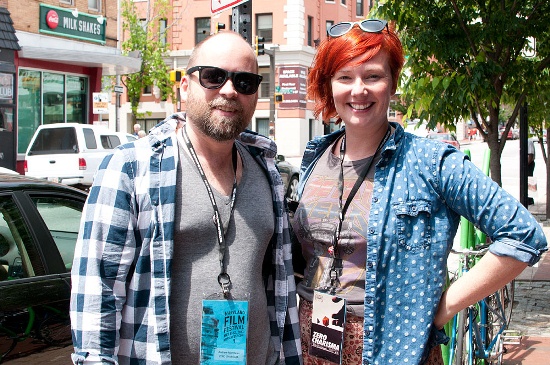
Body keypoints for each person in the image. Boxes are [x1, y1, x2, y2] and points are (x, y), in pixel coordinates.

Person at [291, 19, 547, 365]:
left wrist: (442, 309)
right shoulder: (315, 156)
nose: (358, 90)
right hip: (312, 342)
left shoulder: (431, 162)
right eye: (345, 76)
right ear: (330, 85)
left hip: (394, 348)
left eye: (373, 76)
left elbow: (523, 235)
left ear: (393, 82)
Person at [70, 31, 301, 365]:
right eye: (213, 76)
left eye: (245, 81)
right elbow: (98, 290)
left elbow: (279, 290)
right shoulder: (132, 167)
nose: (229, 90)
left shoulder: (267, 173)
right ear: (184, 87)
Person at [527, 138, 535, 204]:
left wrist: (526, 164)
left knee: (530, 180)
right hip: (527, 163)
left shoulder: (529, 141)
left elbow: (530, 155)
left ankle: (530, 199)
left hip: (529, 164)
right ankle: (529, 198)